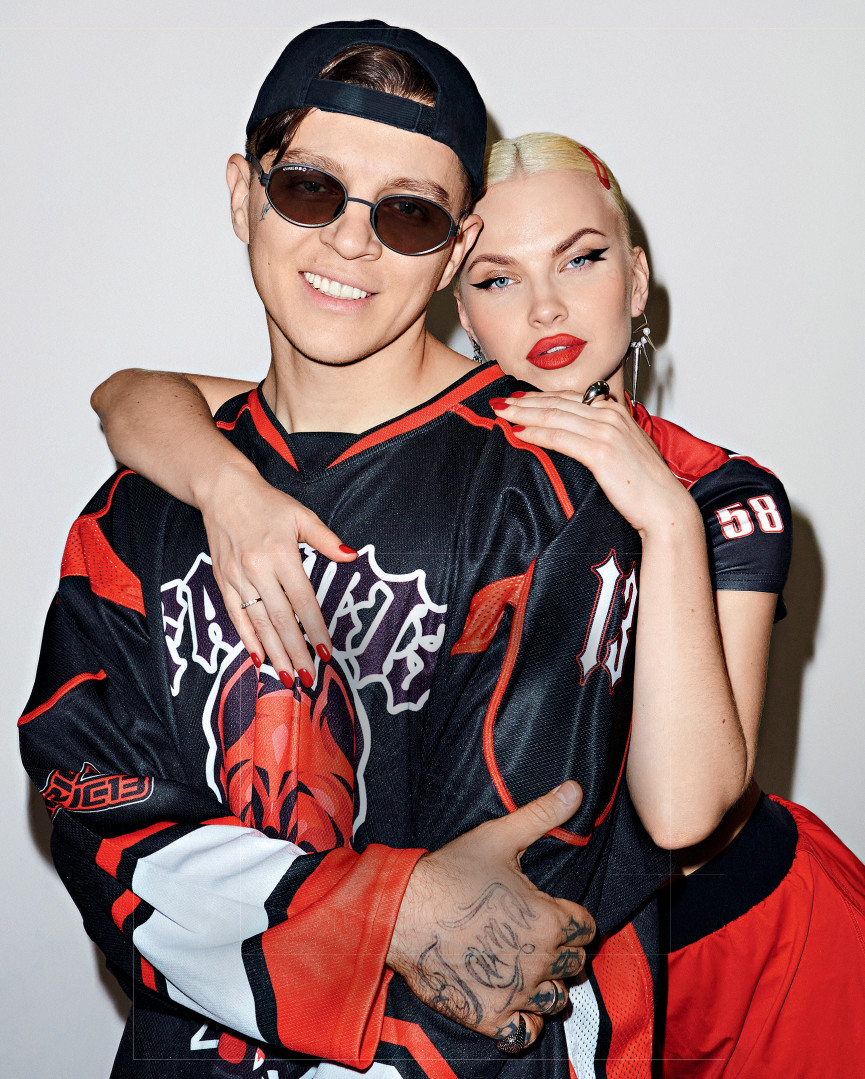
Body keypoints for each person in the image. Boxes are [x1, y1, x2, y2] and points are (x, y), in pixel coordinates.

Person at [95, 130, 865, 1073]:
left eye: (580, 260)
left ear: (635, 279)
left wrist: (663, 518)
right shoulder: (437, 453)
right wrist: (227, 486)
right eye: (498, 278)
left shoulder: (718, 490)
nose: (546, 305)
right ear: (458, 304)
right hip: (551, 964)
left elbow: (681, 813)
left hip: (755, 943)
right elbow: (132, 395)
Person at [18, 23, 675, 1079]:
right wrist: (386, 908)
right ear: (244, 194)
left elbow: (505, 927)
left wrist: (295, 913)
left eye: (409, 213)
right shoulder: (136, 510)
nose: (352, 242)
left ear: (456, 247)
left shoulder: (549, 494)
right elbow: (93, 809)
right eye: (310, 189)